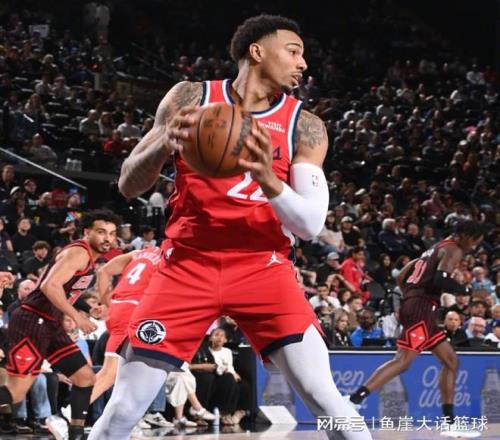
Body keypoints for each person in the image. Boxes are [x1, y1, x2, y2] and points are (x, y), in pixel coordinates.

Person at [90, 14, 370, 440]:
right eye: (293, 51)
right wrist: (165, 141)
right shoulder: (190, 98)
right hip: (186, 266)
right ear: (256, 51)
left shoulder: (305, 125)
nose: (303, 64)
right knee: (124, 407)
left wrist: (267, 177)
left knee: (324, 396)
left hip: (263, 267)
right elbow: (129, 184)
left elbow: (310, 224)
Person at [348, 220, 484, 438]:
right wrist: (465, 290)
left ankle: (449, 422)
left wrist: (411, 295)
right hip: (422, 308)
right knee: (403, 361)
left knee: (451, 361)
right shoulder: (454, 249)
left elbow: (401, 276)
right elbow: (440, 278)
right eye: (475, 241)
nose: (474, 247)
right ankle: (353, 400)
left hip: (419, 307)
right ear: (467, 235)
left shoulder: (435, 248)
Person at [0, 210, 120, 440]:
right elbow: (50, 287)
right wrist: (78, 317)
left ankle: (75, 434)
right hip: (32, 321)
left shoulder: (86, 257)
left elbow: (60, 288)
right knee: (15, 393)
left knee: (85, 378)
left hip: (50, 323)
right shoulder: (79, 253)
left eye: (112, 234)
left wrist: (86, 309)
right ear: (87, 232)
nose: (107, 238)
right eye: (101, 232)